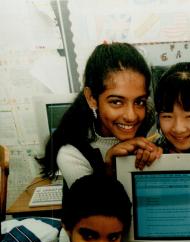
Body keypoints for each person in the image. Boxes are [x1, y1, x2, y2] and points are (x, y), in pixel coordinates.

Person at [38, 42, 162, 189]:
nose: (131, 116)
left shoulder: (150, 126)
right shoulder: (71, 151)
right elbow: (95, 208)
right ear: (91, 98)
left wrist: (159, 158)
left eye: (139, 102)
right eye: (116, 102)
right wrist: (109, 167)